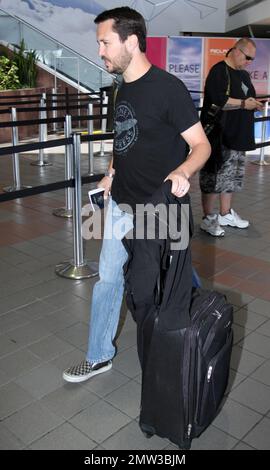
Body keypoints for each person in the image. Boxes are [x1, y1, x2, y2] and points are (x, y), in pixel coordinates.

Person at [63, 6, 210, 383]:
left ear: (131, 40)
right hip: (122, 203)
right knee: (109, 279)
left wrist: (182, 170)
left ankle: (200, 323)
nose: (100, 51)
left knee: (175, 277)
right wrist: (112, 173)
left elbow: (201, 146)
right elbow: (123, 138)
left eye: (105, 42)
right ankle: (99, 355)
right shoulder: (122, 87)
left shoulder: (168, 88)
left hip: (161, 209)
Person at [200, 37, 264, 237]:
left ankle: (225, 213)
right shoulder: (219, 72)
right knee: (213, 175)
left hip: (238, 135)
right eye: (247, 57)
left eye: (252, 59)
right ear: (236, 51)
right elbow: (218, 101)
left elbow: (246, 98)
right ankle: (208, 218)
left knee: (232, 177)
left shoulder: (243, 75)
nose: (249, 62)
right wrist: (245, 104)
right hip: (219, 134)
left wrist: (253, 103)